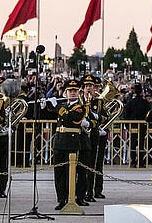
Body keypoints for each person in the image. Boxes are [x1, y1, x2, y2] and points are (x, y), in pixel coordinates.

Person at [50, 79, 88, 211]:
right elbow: (52, 115)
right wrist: (45, 106)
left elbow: (70, 118)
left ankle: (70, 198)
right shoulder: (64, 105)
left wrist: (56, 107)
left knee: (69, 173)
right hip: (59, 141)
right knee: (59, 173)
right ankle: (61, 199)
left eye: (75, 91)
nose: (72, 93)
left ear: (78, 92)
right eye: (70, 91)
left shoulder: (80, 108)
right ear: (65, 92)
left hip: (71, 142)